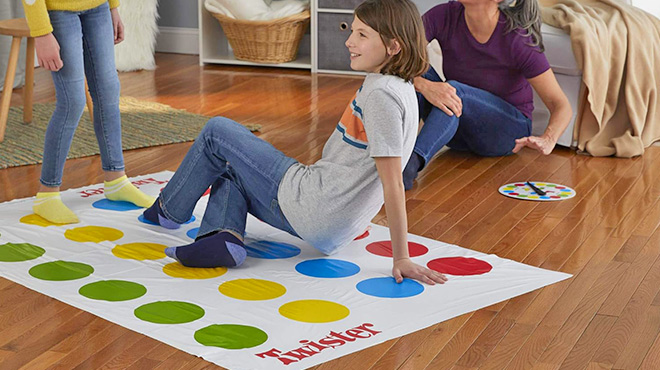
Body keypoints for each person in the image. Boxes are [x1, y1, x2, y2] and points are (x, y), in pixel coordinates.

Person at [143, 0, 447, 285]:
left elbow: (393, 182)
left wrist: (402, 257)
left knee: (216, 131)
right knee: (230, 168)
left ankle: (167, 211)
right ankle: (221, 237)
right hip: (331, 221)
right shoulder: (402, 86)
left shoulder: (381, 96)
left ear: (394, 46)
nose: (349, 42)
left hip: (313, 205)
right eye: (352, 31)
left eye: (362, 35)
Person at [402, 0, 573, 190]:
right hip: (457, 130)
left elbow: (560, 104)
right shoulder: (444, 14)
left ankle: (407, 169)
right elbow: (399, 57)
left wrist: (548, 138)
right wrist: (423, 84)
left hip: (507, 132)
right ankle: (393, 154)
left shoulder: (518, 39)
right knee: (412, 68)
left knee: (455, 90)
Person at [22, 0, 154, 224]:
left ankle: (116, 180)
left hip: (98, 7)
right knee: (72, 101)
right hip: (59, 12)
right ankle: (47, 193)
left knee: (108, 91)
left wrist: (113, 6)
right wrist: (41, 32)